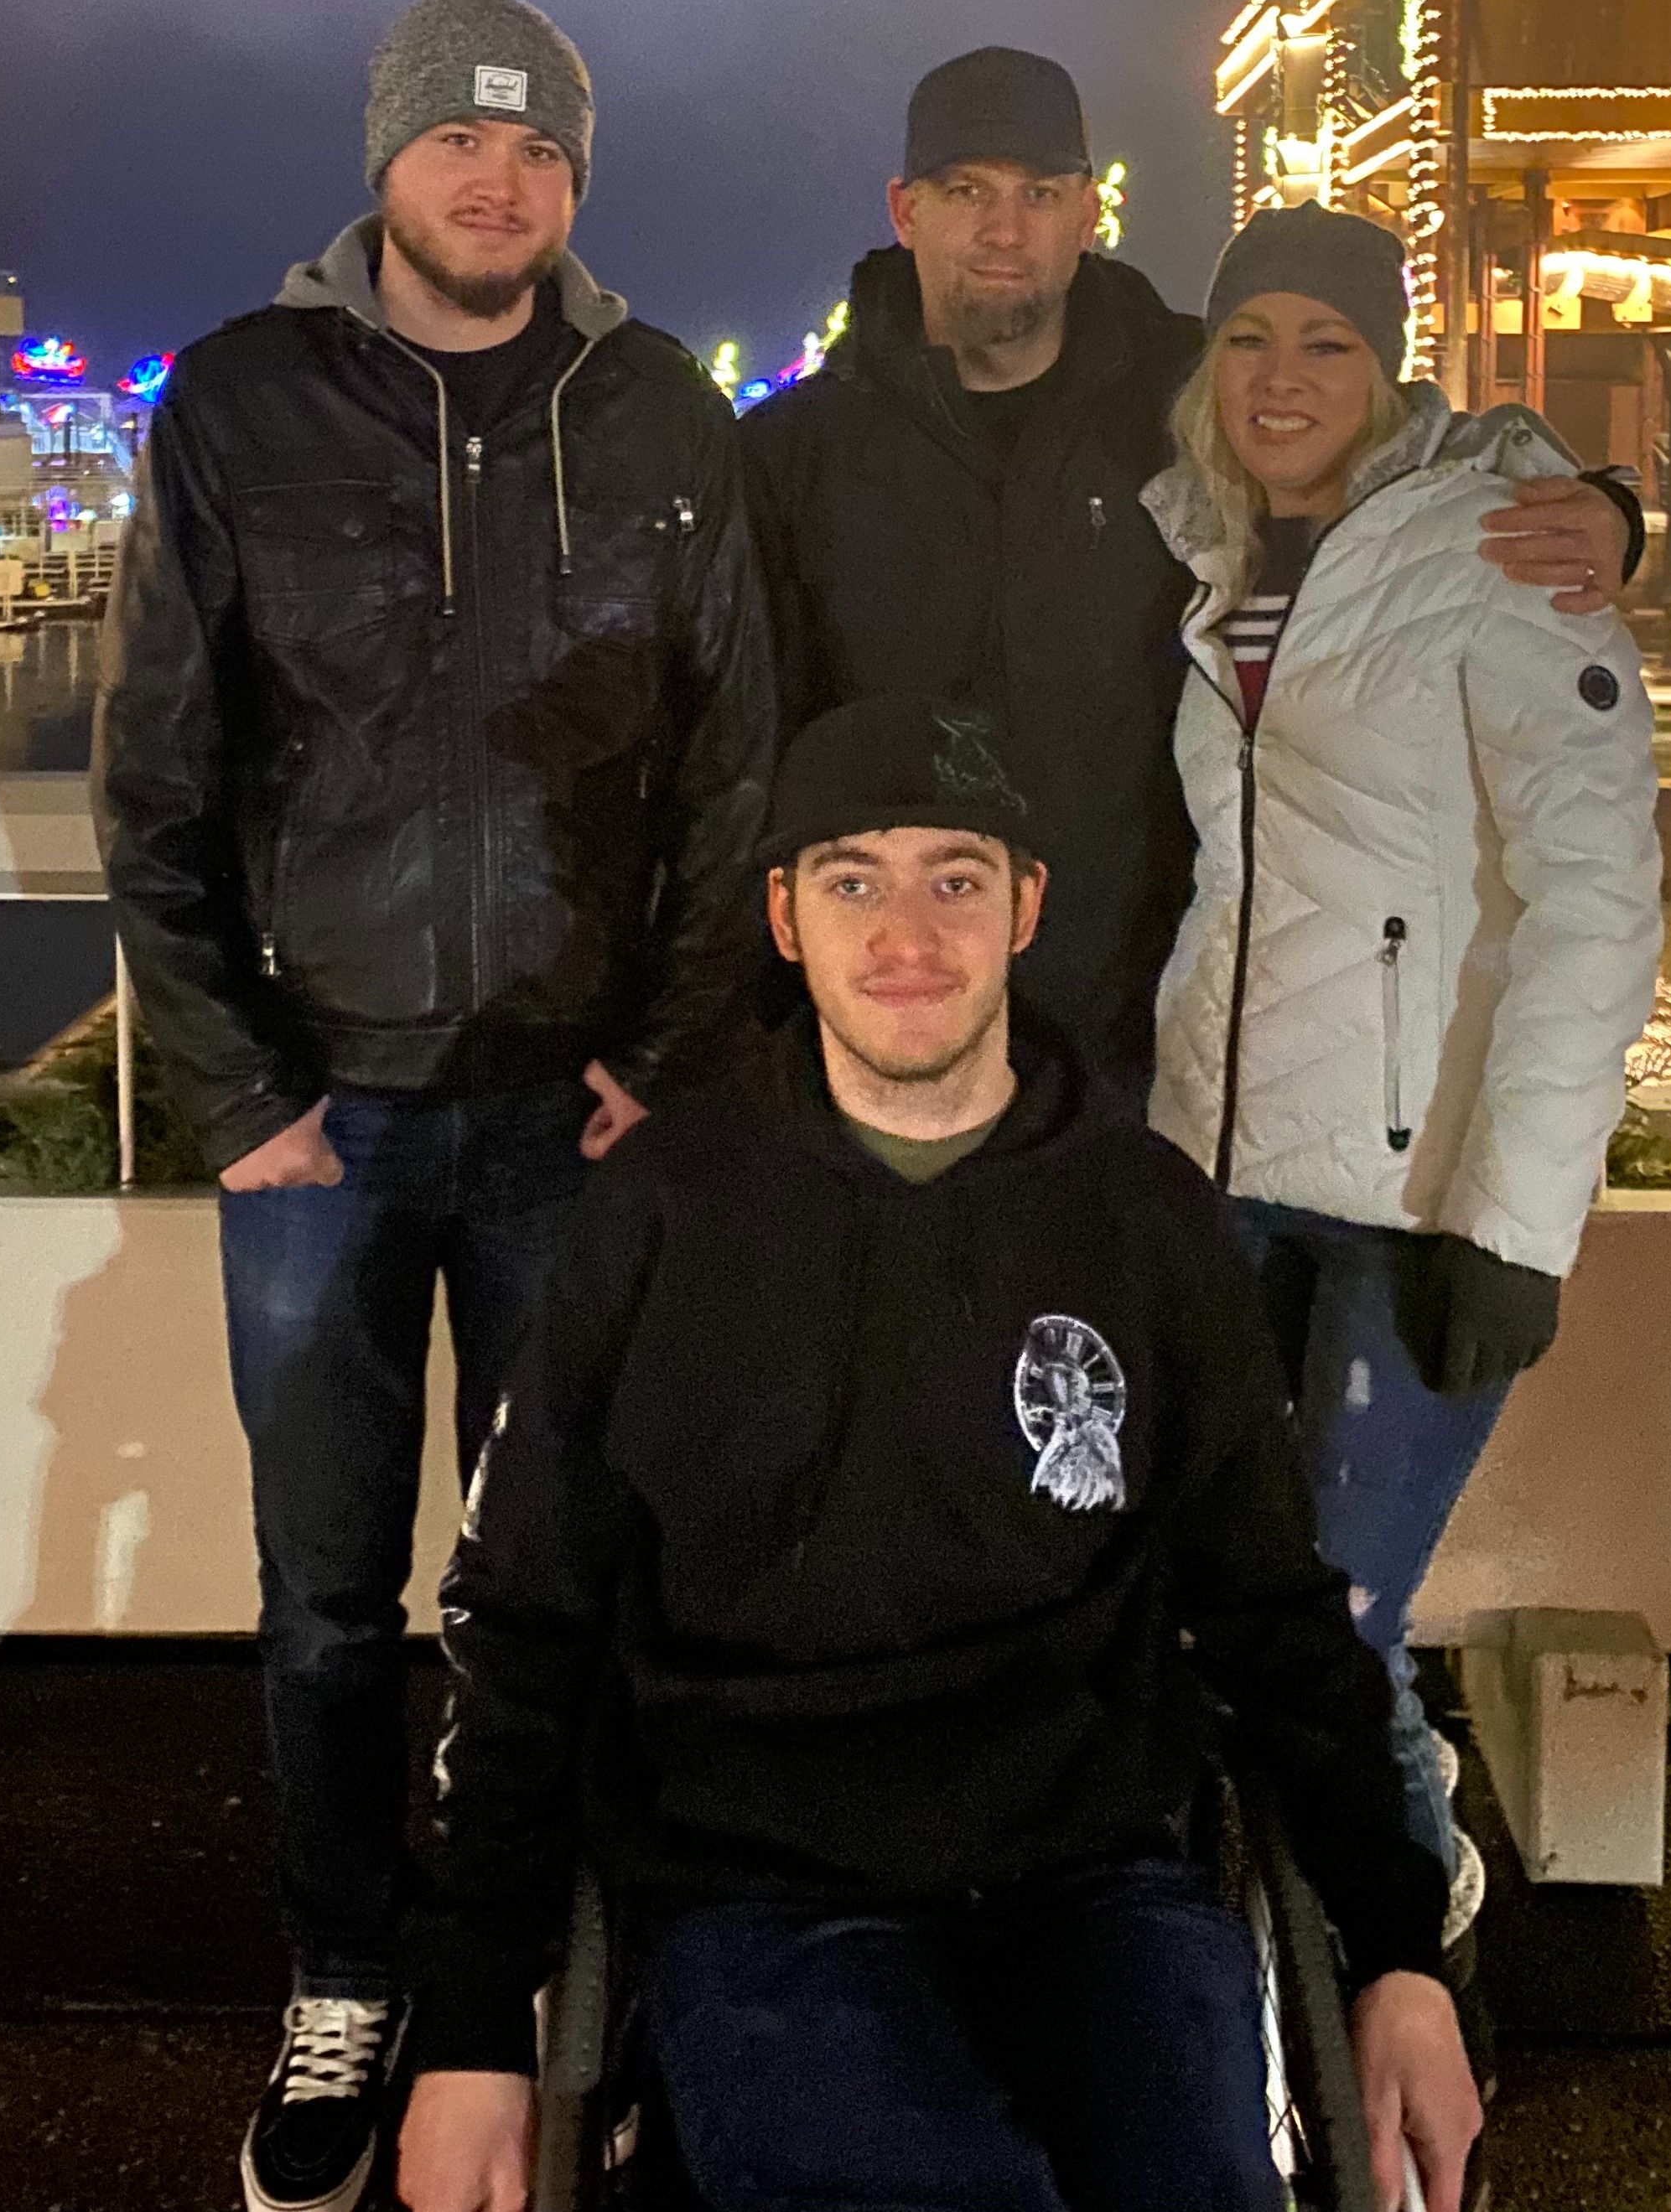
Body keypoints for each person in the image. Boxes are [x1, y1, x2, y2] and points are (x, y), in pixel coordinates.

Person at [396, 694, 1485, 2212]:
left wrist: (1397, 1955)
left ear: (1024, 908)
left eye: (954, 878)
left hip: (1094, 1874)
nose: (905, 933)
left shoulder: (1144, 1217)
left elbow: (1272, 1612)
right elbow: (524, 1618)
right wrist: (468, 2027)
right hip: (759, 1879)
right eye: (852, 879)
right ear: (784, 918)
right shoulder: (662, 1210)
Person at [93, 0, 773, 2212]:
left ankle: (547, 1974)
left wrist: (659, 1060)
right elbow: (156, 779)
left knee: (567, 1581)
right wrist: (237, 1094)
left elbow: (735, 769)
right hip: (325, 1125)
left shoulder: (659, 412)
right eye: (462, 143)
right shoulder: (239, 403)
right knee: (323, 1593)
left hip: (573, 1115)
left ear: (576, 180)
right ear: (385, 162)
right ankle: (346, 1970)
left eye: (542, 150)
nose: (502, 181)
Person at [738, 45, 1642, 1105]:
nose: (1005, 230)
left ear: (1089, 214)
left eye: (1041, 194)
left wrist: (1602, 505)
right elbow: (747, 741)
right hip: (889, 1018)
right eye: (967, 191)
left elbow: (1393, 448)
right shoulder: (798, 453)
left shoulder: (1189, 394)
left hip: (1145, 1030)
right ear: (905, 210)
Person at [1147, 202, 1663, 1952]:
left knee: (1338, 1612)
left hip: (1411, 1188)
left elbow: (1594, 900)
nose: (1280, 376)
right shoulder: (1210, 545)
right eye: (1246, 338)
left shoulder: (1500, 547)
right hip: (1222, 1168)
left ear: (1388, 369)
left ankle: (1397, 1919)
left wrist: (1513, 1223)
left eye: (1327, 341)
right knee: (1231, 1592)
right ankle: (1273, 1921)